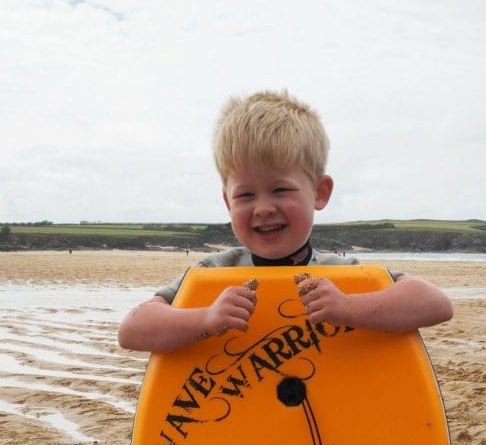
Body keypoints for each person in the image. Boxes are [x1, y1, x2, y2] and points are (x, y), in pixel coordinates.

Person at [118, 90, 453, 352]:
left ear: (320, 192)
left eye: (279, 189)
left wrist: (349, 307)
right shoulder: (214, 274)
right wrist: (205, 318)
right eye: (246, 195)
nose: (263, 208)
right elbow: (133, 330)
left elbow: (435, 304)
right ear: (226, 201)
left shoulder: (342, 275)